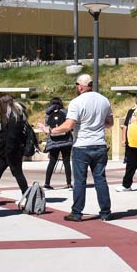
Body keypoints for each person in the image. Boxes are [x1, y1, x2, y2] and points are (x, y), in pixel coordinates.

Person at [44, 73, 113, 222]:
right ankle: (106, 212)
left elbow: (68, 125)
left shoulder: (77, 102)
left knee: (80, 181)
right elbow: (110, 122)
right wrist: (97, 123)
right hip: (99, 144)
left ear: (80, 87)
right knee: (100, 180)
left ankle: (77, 213)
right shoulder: (104, 100)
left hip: (82, 145)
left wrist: (51, 131)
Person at [117, 89, 137, 192]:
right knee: (130, 167)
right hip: (132, 144)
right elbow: (126, 126)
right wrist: (123, 139)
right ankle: (126, 185)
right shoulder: (132, 111)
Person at [42, 96, 73, 189]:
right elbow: (70, 126)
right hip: (66, 140)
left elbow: (47, 127)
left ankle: (47, 183)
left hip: (53, 141)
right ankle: (68, 184)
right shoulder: (66, 112)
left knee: (52, 162)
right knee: (66, 161)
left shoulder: (48, 113)